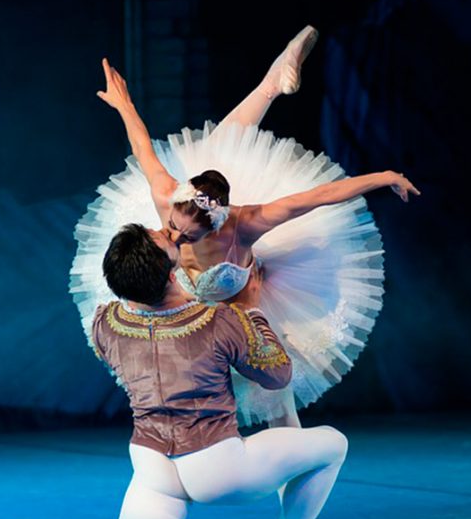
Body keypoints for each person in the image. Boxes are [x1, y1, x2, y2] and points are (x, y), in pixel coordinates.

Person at [71, 26, 419, 429]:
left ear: (215, 226)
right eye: (173, 228)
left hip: (244, 311)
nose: (175, 238)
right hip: (192, 322)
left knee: (277, 400)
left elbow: (318, 196)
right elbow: (142, 146)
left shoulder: (246, 225)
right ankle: (272, 82)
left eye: (189, 236)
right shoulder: (167, 195)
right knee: (222, 144)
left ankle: (293, 466)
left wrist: (384, 176)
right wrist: (124, 104)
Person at [48, 223, 349, 519]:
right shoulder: (217, 321)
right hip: (218, 466)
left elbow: (149, 312)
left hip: (151, 467)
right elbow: (278, 375)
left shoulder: (106, 323)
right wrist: (252, 310)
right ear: (171, 270)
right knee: (333, 443)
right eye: (163, 240)